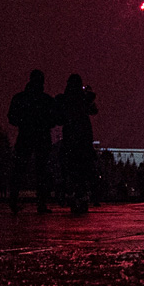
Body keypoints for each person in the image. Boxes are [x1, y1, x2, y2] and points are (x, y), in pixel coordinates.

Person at [8, 69, 58, 214]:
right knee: (41, 171)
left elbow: (12, 117)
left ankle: (14, 200)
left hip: (25, 136)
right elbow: (54, 120)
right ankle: (41, 203)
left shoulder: (20, 98)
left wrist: (25, 123)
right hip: (41, 138)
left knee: (19, 169)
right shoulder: (46, 100)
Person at [55, 74, 97, 215]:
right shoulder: (84, 98)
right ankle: (82, 198)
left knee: (71, 170)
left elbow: (59, 119)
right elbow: (94, 110)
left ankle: (72, 196)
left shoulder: (65, 100)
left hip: (70, 138)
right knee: (83, 171)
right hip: (83, 139)